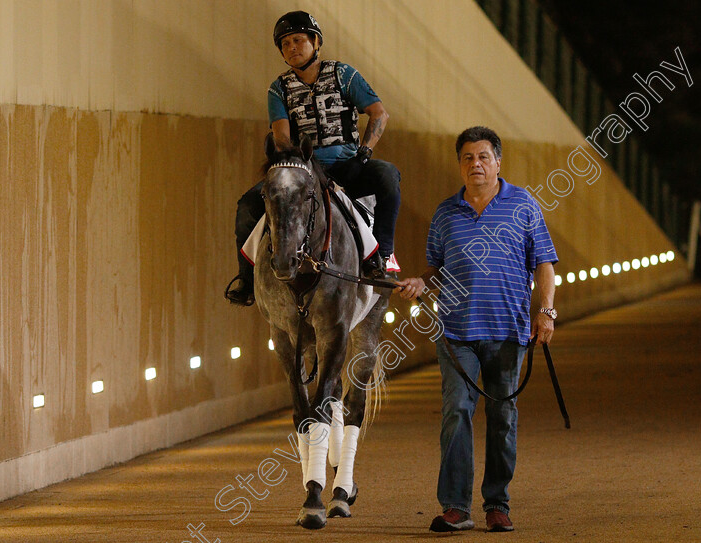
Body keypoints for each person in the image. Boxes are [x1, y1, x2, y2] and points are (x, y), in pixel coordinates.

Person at [395, 126, 558, 533]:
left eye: (483, 157)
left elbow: (544, 264)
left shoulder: (524, 205)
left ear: (498, 163)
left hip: (509, 331)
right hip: (456, 333)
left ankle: (497, 504)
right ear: (460, 165)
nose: (476, 164)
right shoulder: (445, 213)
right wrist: (419, 282)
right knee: (456, 412)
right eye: (467, 158)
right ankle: (455, 507)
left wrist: (547, 313)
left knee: (503, 416)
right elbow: (435, 270)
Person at [226, 10, 401, 306]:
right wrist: (292, 164)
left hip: (348, 165)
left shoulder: (344, 75)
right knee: (247, 205)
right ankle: (247, 278)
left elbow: (378, 113)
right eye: (285, 44)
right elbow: (281, 136)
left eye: (297, 40)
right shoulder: (278, 89)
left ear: (315, 41)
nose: (291, 47)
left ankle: (381, 256)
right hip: (304, 168)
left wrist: (365, 153)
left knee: (388, 176)